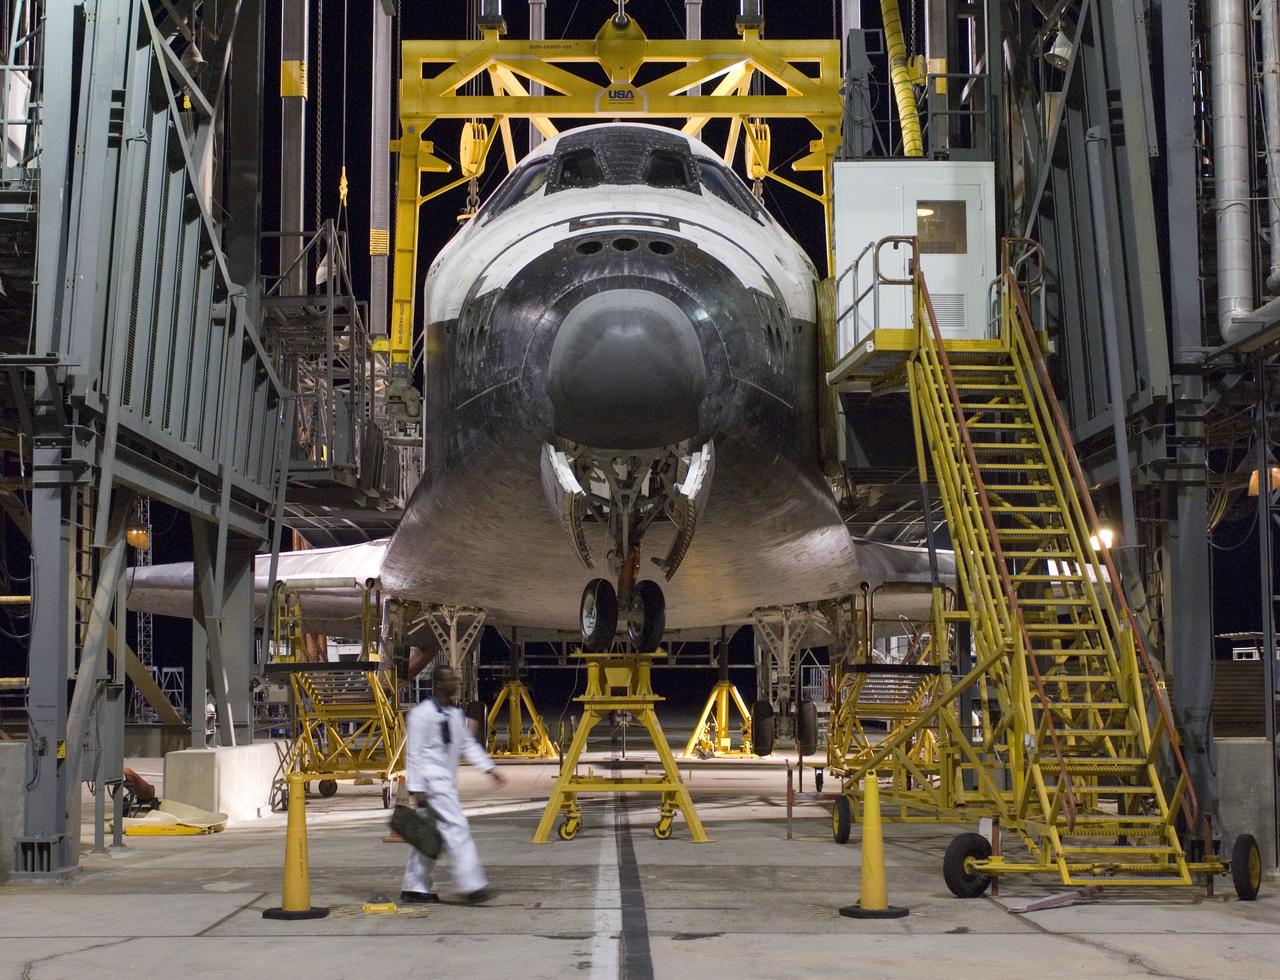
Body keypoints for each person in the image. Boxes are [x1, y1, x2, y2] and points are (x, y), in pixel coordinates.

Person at [401, 663, 504, 904]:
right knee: (457, 828)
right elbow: (414, 753)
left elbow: (467, 744)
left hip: (446, 783)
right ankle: (472, 885)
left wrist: (488, 767)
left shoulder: (455, 715)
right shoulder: (421, 714)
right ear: (439, 684)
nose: (456, 683)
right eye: (451, 680)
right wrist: (416, 788)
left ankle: (414, 887)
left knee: (428, 837)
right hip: (432, 784)